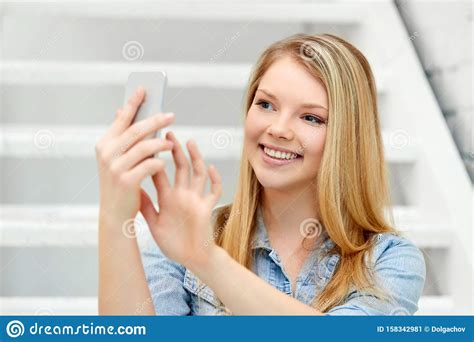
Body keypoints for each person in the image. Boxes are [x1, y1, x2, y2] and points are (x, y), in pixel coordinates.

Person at [97, 33, 426, 315]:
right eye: (266, 104)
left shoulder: (390, 260)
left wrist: (206, 259)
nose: (278, 129)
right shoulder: (182, 240)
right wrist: (114, 217)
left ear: (348, 137)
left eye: (311, 118)